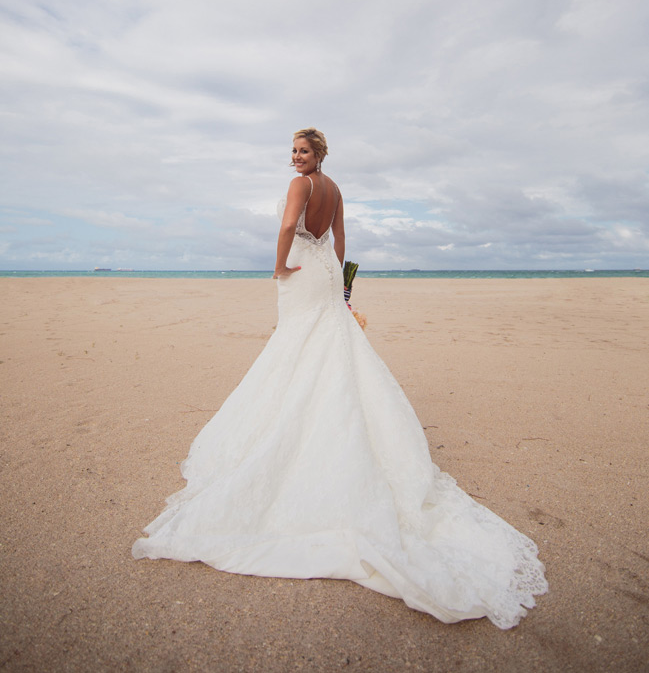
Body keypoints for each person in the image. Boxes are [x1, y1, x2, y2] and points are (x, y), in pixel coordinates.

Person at [132, 128, 547, 628]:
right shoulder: (336, 189)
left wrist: (279, 266)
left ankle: (295, 429)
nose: (295, 157)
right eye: (293, 151)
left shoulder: (302, 186)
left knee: (296, 343)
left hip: (305, 266)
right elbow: (344, 239)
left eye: (302, 151)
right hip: (328, 268)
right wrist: (346, 287)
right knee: (327, 342)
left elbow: (288, 226)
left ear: (318, 155)